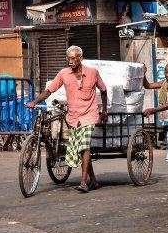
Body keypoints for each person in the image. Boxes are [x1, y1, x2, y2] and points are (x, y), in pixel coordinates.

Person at [26, 45, 107, 193]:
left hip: (90, 115)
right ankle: (93, 181)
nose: (70, 61)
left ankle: (83, 182)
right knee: (80, 149)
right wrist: (35, 102)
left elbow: (104, 90)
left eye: (73, 58)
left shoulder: (93, 73)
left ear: (80, 58)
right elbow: (49, 90)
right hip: (73, 117)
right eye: (68, 58)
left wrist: (105, 111)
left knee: (84, 145)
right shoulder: (64, 74)